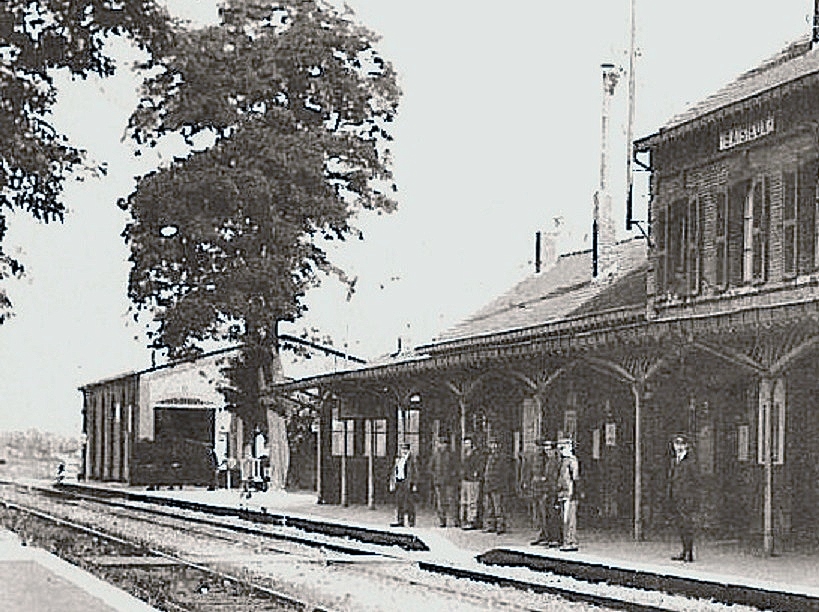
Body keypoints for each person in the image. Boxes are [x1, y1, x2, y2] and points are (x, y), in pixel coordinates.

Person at [668, 434, 697, 562]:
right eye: (676, 444)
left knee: (687, 524)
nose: (678, 446)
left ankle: (689, 552)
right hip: (676, 497)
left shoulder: (690, 461)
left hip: (687, 498)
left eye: (681, 444)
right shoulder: (674, 461)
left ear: (686, 446)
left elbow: (695, 480)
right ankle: (684, 550)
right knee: (680, 524)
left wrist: (692, 496)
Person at [530, 439, 561, 546]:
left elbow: (554, 477)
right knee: (542, 515)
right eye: (546, 449)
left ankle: (554, 538)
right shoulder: (547, 460)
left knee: (552, 515)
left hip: (551, 491)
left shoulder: (555, 461)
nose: (547, 451)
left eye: (549, 449)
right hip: (543, 490)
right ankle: (545, 536)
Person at [482, 437, 512, 534]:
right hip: (489, 485)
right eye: (491, 444)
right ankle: (491, 525)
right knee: (489, 507)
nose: (493, 446)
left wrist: (501, 483)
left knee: (498, 507)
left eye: (495, 444)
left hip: (497, 485)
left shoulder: (502, 457)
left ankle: (500, 526)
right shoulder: (489, 456)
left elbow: (505, 472)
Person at [427, 435, 459, 527]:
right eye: (440, 443)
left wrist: (452, 476)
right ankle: (442, 520)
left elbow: (455, 468)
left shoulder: (451, 455)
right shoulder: (435, 455)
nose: (442, 446)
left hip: (449, 482)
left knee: (451, 501)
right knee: (440, 502)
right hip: (438, 482)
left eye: (444, 444)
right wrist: (435, 476)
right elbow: (430, 468)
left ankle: (455, 520)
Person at [556, 438, 580, 551]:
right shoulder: (563, 461)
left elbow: (575, 478)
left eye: (563, 448)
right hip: (562, 492)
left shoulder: (572, 461)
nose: (561, 451)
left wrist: (573, 493)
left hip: (569, 493)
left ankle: (571, 541)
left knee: (569, 519)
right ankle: (566, 540)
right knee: (563, 518)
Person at [389, 442, 417, 527]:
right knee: (399, 502)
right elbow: (394, 471)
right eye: (402, 449)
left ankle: (411, 521)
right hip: (399, 483)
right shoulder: (398, 460)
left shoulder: (412, 460)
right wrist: (392, 483)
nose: (404, 451)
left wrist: (414, 484)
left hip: (408, 483)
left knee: (409, 503)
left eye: (405, 449)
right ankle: (400, 520)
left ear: (408, 450)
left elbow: (415, 472)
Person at [459, 436, 484, 530]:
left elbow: (479, 466)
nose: (466, 445)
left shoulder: (476, 454)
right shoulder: (465, 454)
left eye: (468, 443)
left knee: (472, 501)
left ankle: (472, 520)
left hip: (473, 480)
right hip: (465, 479)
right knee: (464, 500)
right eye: (465, 443)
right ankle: (464, 519)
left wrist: (475, 474)